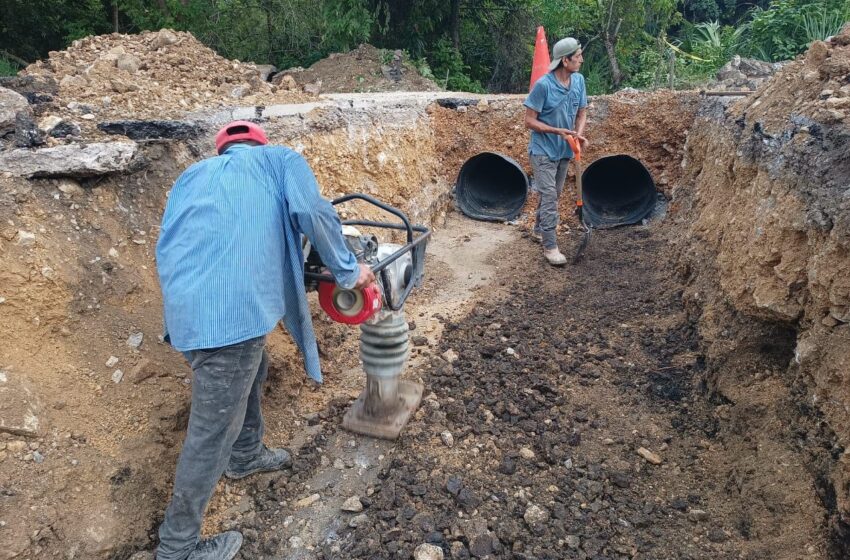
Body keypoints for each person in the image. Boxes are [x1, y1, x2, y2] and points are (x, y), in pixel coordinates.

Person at [154, 120, 375, 560]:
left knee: (255, 368)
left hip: (187, 309)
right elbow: (313, 213)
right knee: (212, 429)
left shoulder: (192, 175)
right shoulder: (278, 160)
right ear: (260, 143)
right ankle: (177, 548)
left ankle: (246, 454)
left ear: (223, 150)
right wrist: (350, 270)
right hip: (231, 315)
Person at [524, 37, 589, 266]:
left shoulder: (578, 81)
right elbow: (529, 121)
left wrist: (577, 135)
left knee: (555, 193)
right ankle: (550, 246)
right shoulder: (543, 86)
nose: (581, 59)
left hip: (564, 151)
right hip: (542, 150)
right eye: (577, 55)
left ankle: (539, 228)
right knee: (550, 196)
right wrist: (557, 131)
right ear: (565, 60)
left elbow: (581, 112)